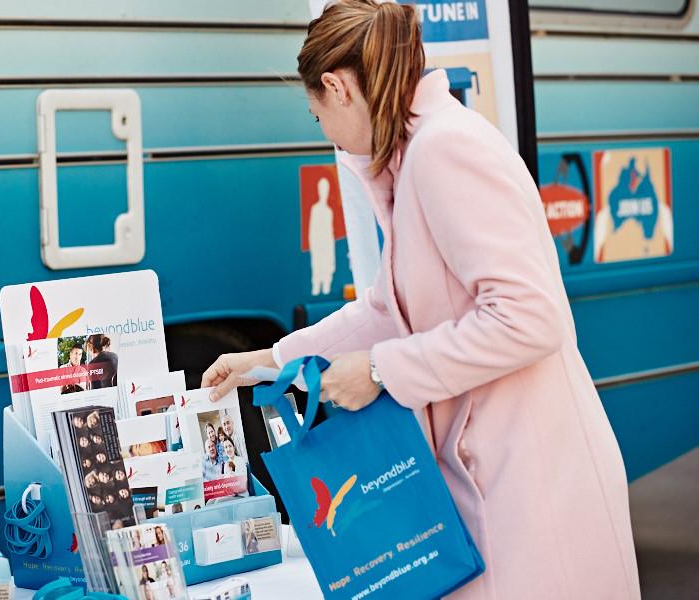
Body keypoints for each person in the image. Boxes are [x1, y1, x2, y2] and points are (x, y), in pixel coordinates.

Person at [201, 2, 640, 598]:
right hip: (503, 481)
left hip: (530, 491)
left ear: (337, 87)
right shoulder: (418, 154)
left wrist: (383, 370)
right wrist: (270, 362)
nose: (325, 133)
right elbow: (389, 308)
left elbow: (530, 317)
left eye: (317, 115)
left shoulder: (443, 152)